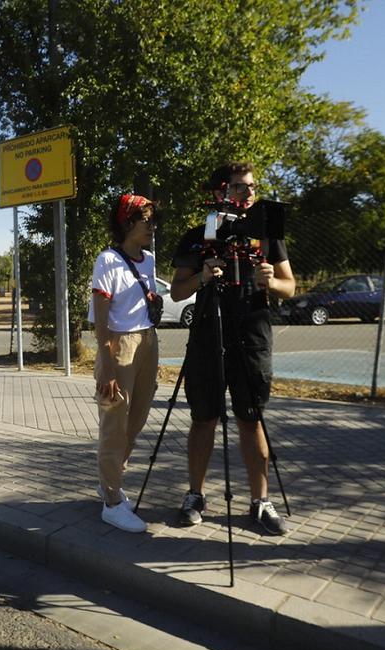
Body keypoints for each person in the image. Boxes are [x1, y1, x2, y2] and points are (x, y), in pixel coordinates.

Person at [168, 162, 295, 535]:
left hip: (253, 335)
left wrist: (271, 282)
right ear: (220, 192)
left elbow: (291, 287)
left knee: (250, 417)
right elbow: (177, 291)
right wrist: (202, 276)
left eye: (252, 187)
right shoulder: (197, 235)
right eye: (240, 188)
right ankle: (195, 495)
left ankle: (261, 501)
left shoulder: (268, 234)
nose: (249, 194)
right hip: (209, 334)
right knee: (203, 417)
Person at [90, 193, 162, 532]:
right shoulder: (107, 260)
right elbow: (101, 319)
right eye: (145, 219)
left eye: (152, 219)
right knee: (114, 424)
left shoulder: (148, 259)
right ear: (126, 223)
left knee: (136, 420)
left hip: (148, 341)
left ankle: (112, 481)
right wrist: (105, 363)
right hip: (120, 345)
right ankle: (112, 500)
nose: (152, 225)